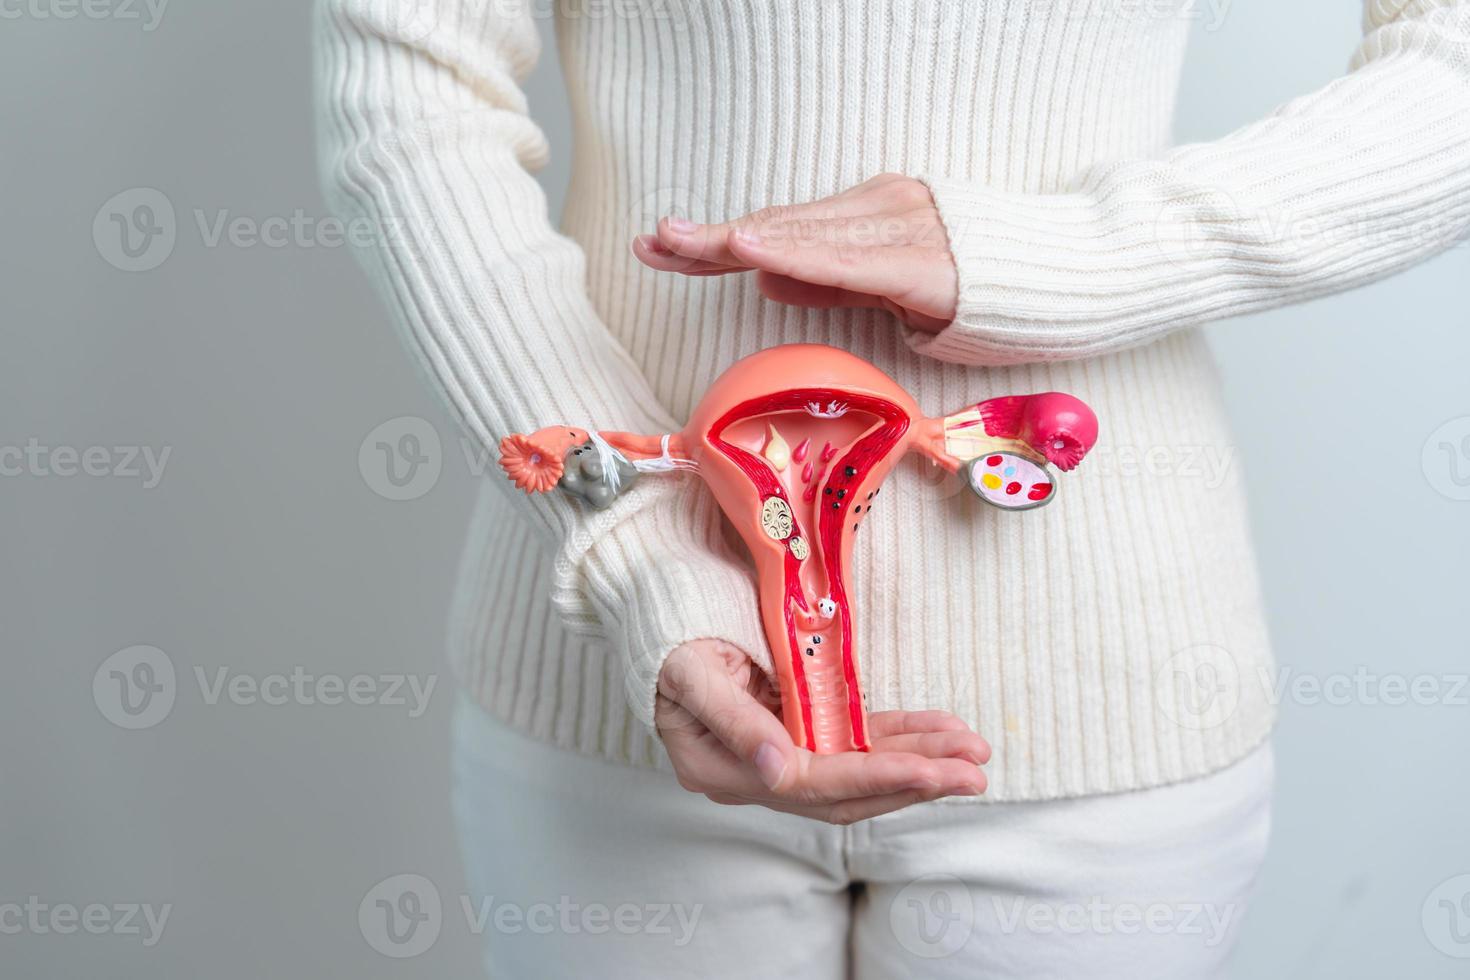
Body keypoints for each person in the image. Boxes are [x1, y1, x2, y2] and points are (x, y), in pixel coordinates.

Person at [315, 1, 1470, 975]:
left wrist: (1037, 257)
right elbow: (411, 100)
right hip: (615, 693)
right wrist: (642, 563)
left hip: (1100, 689)